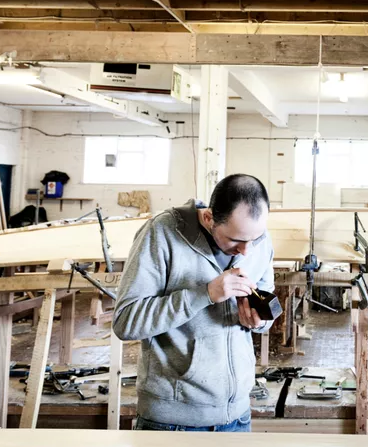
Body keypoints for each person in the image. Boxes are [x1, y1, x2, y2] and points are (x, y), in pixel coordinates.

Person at [113, 174, 275, 433]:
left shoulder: (257, 240)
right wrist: (205, 294)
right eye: (235, 240)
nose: (246, 251)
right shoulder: (162, 233)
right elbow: (126, 321)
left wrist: (259, 321)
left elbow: (267, 303)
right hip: (173, 421)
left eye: (254, 239)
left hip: (238, 416)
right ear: (209, 218)